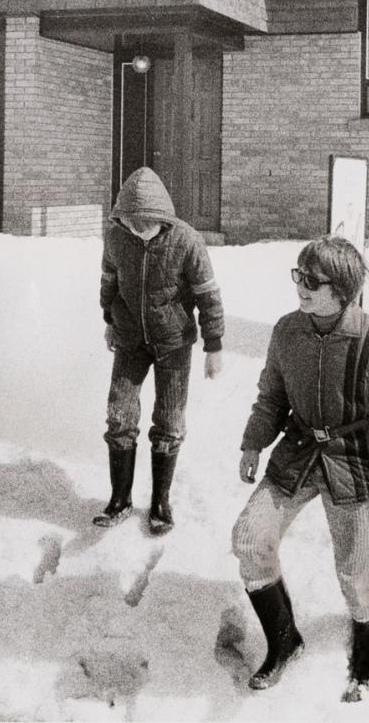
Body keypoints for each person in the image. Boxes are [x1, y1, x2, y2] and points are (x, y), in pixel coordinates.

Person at [230, 235, 369, 702]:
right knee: (249, 539)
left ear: (343, 289)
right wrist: (254, 443)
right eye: (298, 275)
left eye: (312, 281)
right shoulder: (286, 331)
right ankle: (283, 641)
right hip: (297, 454)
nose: (301, 286)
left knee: (354, 569)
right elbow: (271, 396)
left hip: (355, 462)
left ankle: (367, 659)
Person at [96, 167, 225, 535]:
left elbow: (209, 297)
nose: (141, 231)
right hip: (130, 341)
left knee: (168, 422)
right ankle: (119, 499)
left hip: (173, 344)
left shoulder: (187, 241)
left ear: (162, 219)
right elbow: (110, 281)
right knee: (119, 415)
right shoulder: (116, 237)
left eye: (148, 225)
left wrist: (214, 347)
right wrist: (109, 319)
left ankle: (160, 503)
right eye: (133, 224)